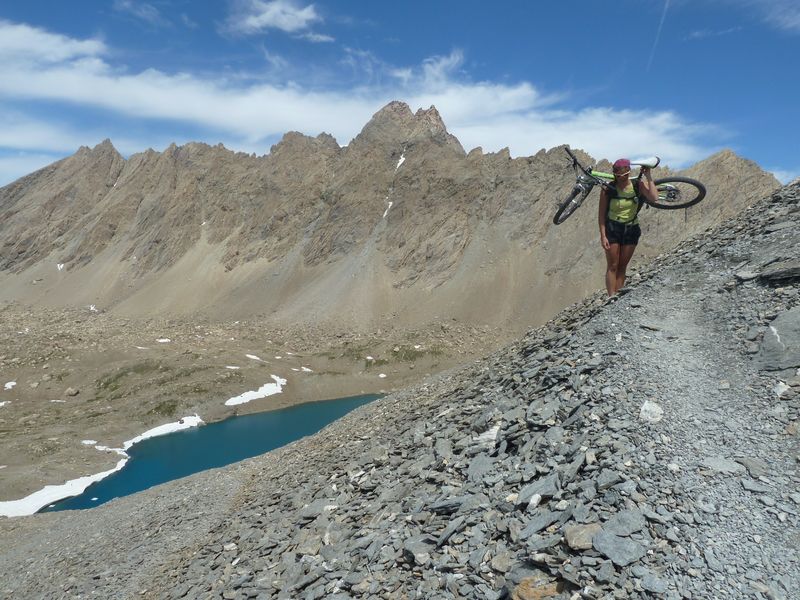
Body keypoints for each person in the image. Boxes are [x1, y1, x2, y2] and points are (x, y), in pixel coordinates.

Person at [598, 158, 658, 296]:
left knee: (622, 266)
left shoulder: (637, 185)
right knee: (613, 265)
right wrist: (603, 235)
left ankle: (617, 297)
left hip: (631, 229)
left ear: (629, 173)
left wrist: (648, 176)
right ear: (615, 175)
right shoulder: (608, 189)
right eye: (619, 176)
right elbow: (601, 215)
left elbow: (654, 197)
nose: (622, 178)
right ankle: (610, 297)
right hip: (612, 229)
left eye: (625, 175)